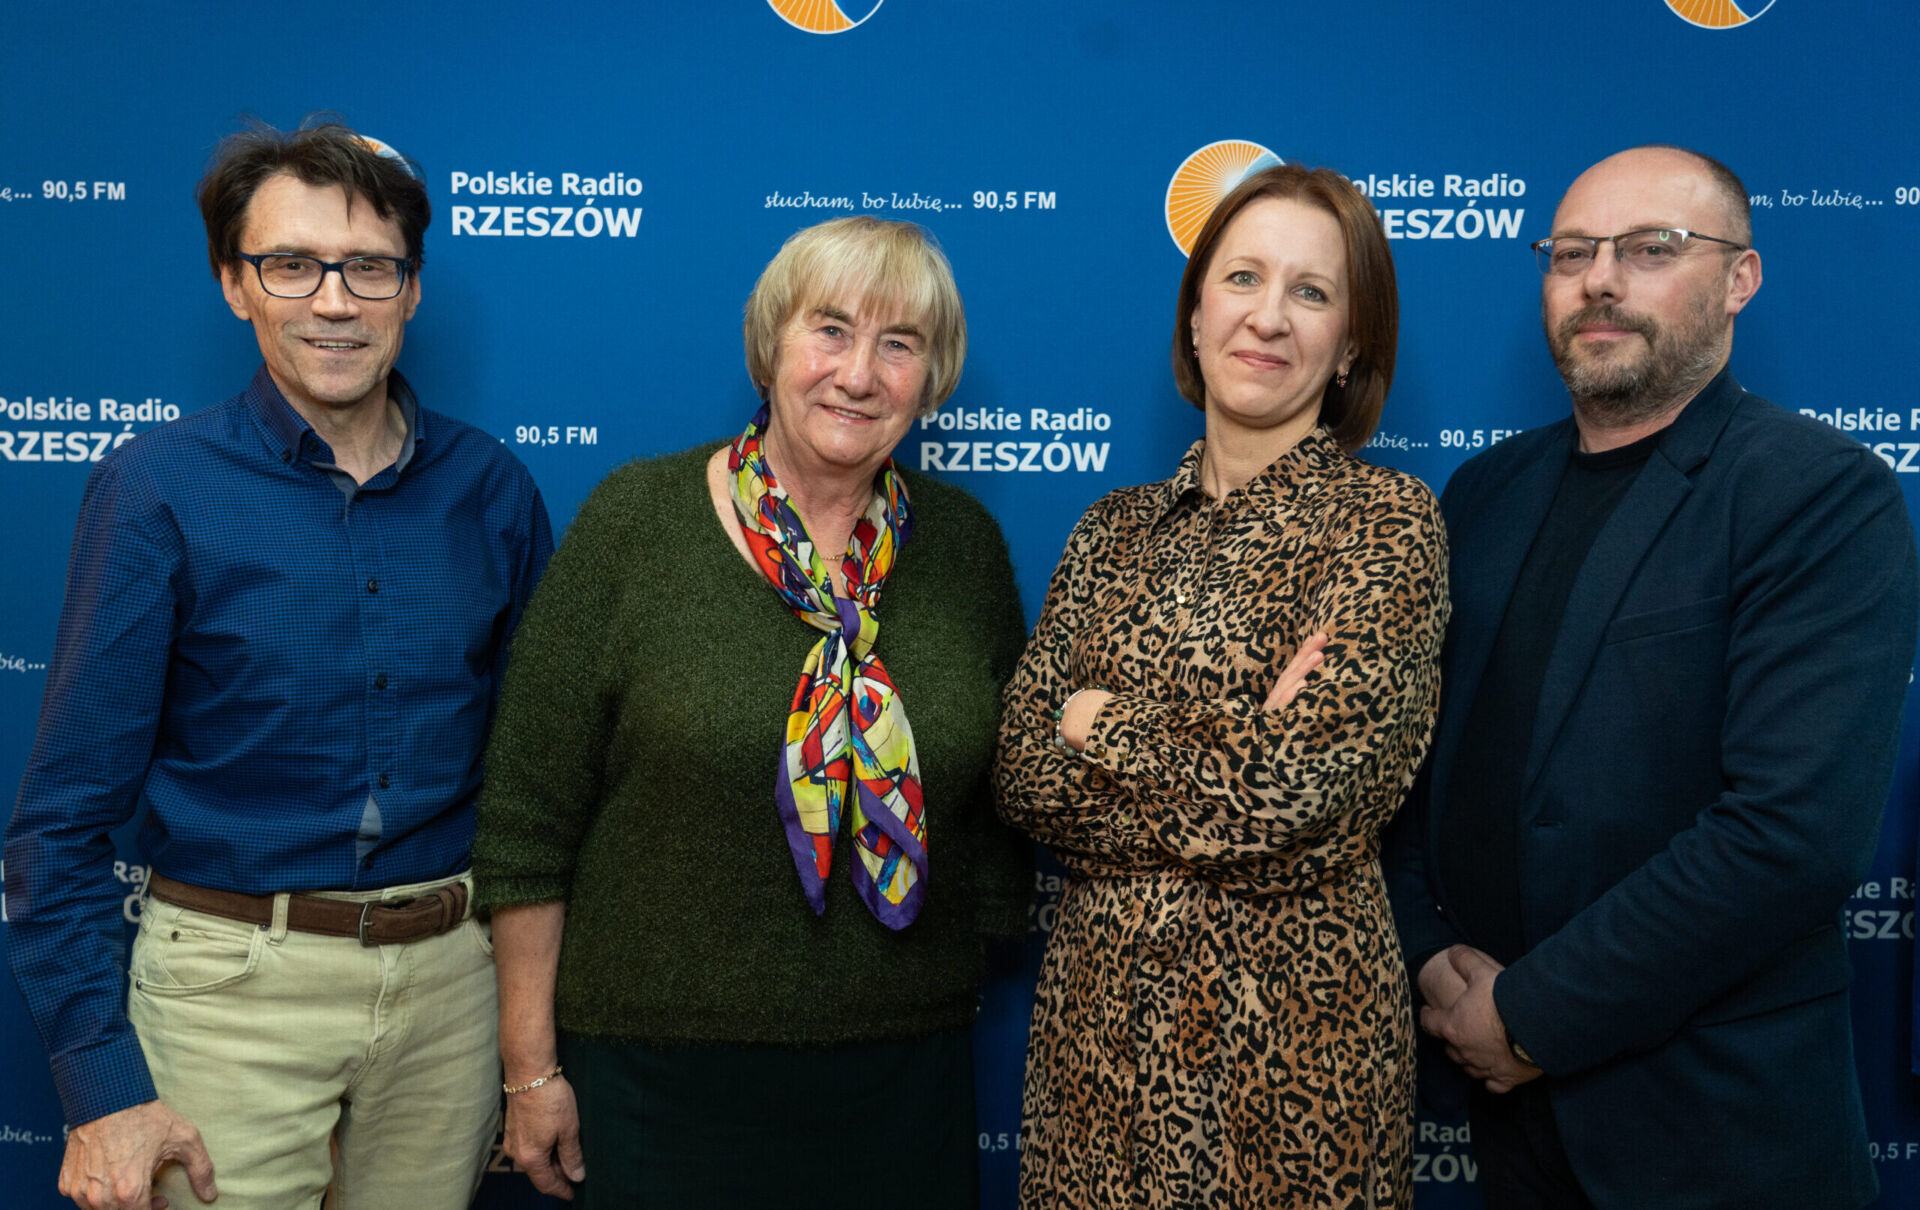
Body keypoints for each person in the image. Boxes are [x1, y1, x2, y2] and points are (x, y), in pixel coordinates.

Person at [2, 120, 553, 1210]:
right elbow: (57, 823)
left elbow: (539, 785)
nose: (334, 302)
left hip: (451, 992)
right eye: (291, 264)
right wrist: (102, 1088)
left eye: (369, 267)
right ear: (233, 283)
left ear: (412, 289)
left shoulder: (492, 489)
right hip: (229, 996)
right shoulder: (156, 489)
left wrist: (531, 1041)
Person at [1385, 145, 1919, 1209]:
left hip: (1716, 1128)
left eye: (1651, 249)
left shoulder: (1819, 494)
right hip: (1507, 1127)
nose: (1600, 280)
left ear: (1740, 278)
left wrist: (1529, 1015)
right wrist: (1432, 956)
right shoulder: (1481, 495)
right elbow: (1408, 773)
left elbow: (1789, 837)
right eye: (1571, 252)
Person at [474, 215, 1031, 1207]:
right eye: (831, 330)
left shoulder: (964, 548)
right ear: (771, 344)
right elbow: (528, 818)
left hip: (904, 1076)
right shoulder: (637, 522)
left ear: (932, 378)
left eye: (899, 344)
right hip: (658, 1075)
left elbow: (994, 819)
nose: (858, 374)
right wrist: (528, 1067)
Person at [995, 164, 1448, 1208]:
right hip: (1094, 1057)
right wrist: (1234, 752)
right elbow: (1023, 774)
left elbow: (1297, 798)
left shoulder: (1385, 523)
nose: (1268, 316)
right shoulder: (1109, 531)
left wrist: (1102, 721)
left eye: (1311, 291)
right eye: (1243, 277)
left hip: (1292, 1063)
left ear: (1351, 347)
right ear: (1196, 314)